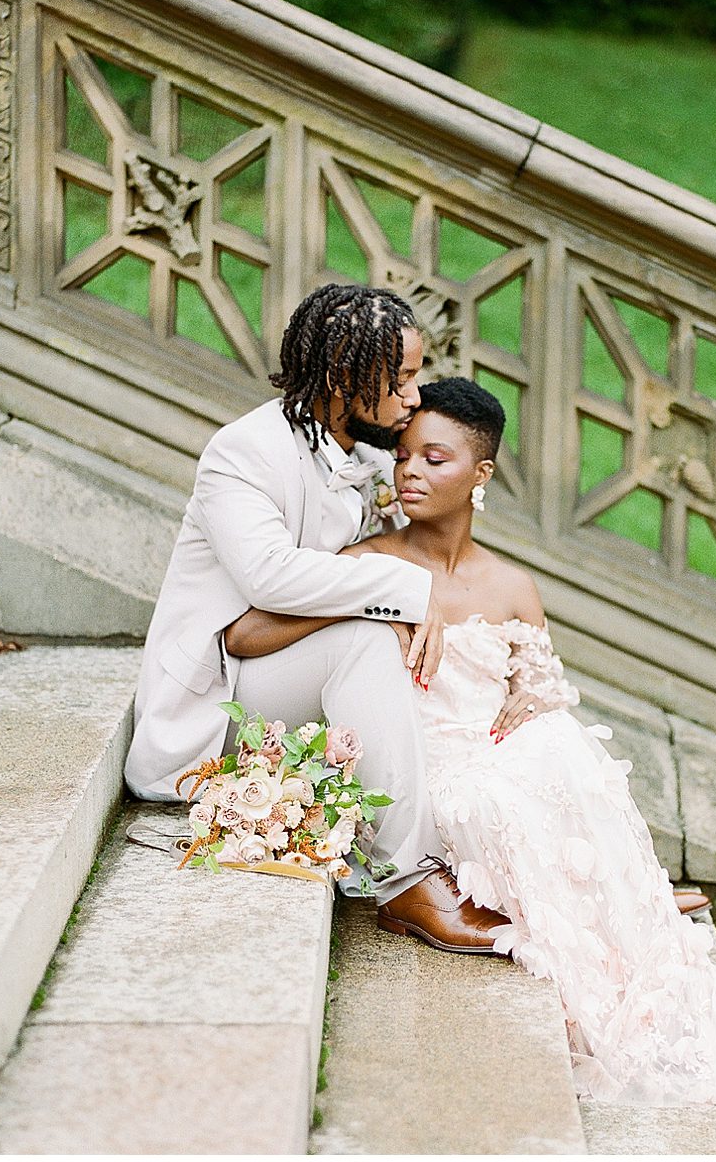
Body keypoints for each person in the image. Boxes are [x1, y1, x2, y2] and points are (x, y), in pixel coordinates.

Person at [224, 379, 716, 1143]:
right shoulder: (366, 558)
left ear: (481, 474)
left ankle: (620, 884)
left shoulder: (512, 586)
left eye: (435, 458)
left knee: (559, 743)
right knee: (490, 800)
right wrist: (369, 599)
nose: (409, 471)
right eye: (402, 455)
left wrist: (529, 709)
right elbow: (249, 634)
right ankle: (619, 889)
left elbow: (538, 693)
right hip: (420, 769)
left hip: (493, 751)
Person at [123, 285, 507, 953]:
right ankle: (406, 882)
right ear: (343, 378)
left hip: (290, 671)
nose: (416, 396)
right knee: (365, 640)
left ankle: (509, 854)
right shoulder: (243, 453)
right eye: (404, 377)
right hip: (220, 700)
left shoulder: (372, 456)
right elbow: (268, 576)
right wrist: (401, 590)